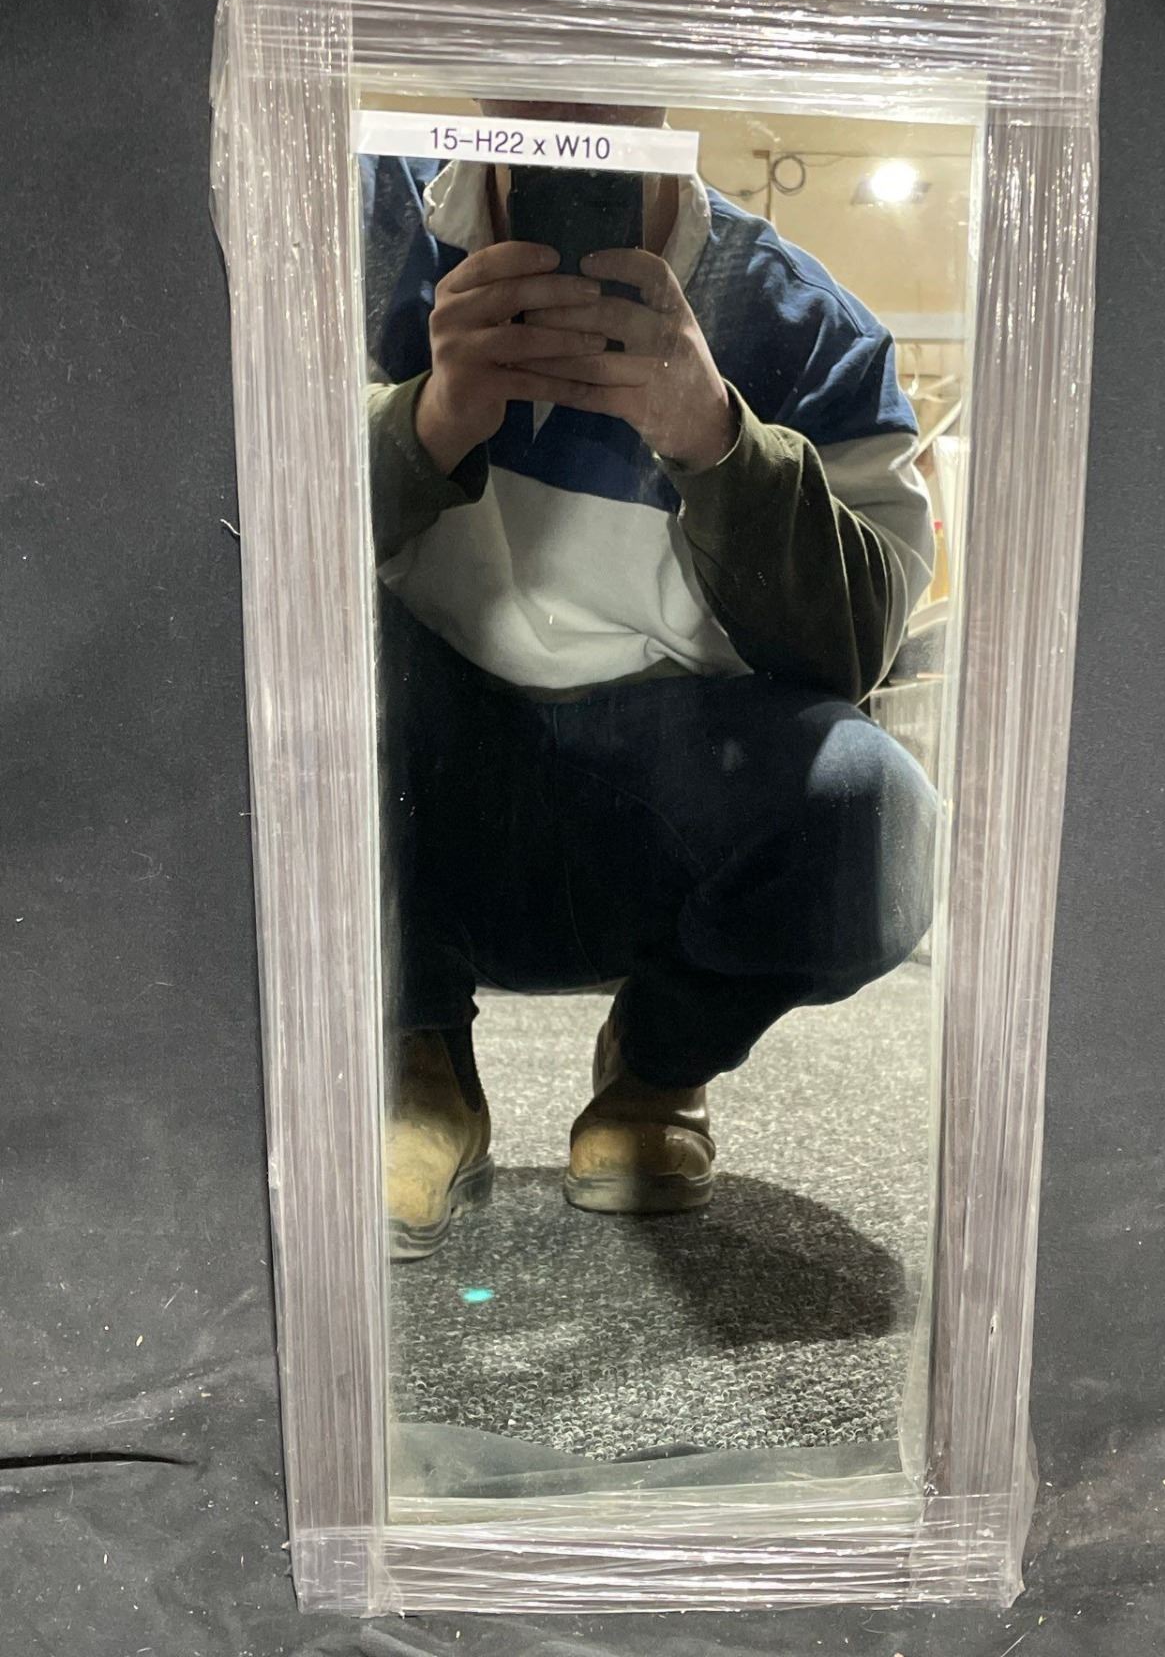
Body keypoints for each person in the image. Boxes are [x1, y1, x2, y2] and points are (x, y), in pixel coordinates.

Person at [361, 101, 939, 1258]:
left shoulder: (810, 329)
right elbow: (241, 552)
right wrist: (426, 423)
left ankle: (658, 1065)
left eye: (609, 94)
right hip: (423, 774)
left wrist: (715, 433)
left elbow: (864, 641)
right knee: (319, 668)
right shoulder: (361, 226)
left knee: (877, 817)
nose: (569, 118)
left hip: (662, 791)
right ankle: (414, 1051)